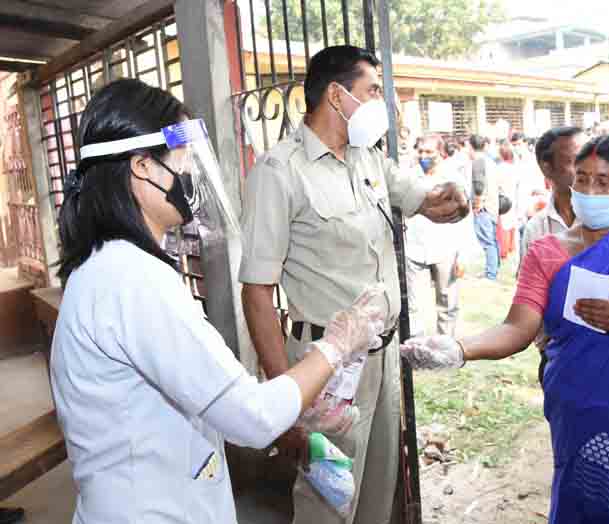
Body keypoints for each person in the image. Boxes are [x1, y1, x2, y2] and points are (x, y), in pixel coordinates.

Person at [48, 79, 386, 524]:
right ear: (144, 167)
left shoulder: (107, 267)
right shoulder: (132, 280)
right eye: (185, 164)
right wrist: (337, 345)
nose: (191, 180)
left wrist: (297, 395)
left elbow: (204, 387)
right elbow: (253, 418)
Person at [401, 134, 609, 523]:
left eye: (604, 182)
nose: (588, 190)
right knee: (581, 503)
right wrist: (458, 349)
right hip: (578, 410)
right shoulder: (547, 252)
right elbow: (518, 328)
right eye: (582, 178)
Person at [238, 45, 469, 524]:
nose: (384, 102)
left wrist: (453, 198)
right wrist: (287, 399)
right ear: (338, 95)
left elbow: (428, 200)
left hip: (380, 359)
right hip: (325, 367)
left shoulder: (370, 159)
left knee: (375, 493)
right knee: (328, 499)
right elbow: (257, 291)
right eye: (374, 90)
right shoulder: (279, 172)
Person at [405, 134, 468, 338]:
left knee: (447, 300)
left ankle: (445, 345)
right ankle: (417, 347)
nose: (424, 155)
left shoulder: (453, 179)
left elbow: (465, 219)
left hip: (445, 249)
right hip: (413, 249)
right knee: (414, 304)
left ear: (440, 153)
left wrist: (463, 255)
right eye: (421, 151)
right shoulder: (408, 176)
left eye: (429, 152)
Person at [520, 126, 584, 259]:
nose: (589, 169)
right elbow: (527, 278)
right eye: (578, 161)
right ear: (547, 168)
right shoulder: (536, 230)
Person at [470, 134, 501, 280]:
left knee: (487, 241)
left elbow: (478, 185)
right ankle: (494, 268)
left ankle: (491, 273)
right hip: (493, 205)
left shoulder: (478, 162)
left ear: (470, 147)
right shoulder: (491, 161)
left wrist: (477, 204)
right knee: (493, 240)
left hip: (484, 207)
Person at [496, 143, 519, 260]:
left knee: (503, 225)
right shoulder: (515, 168)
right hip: (513, 196)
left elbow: (496, 184)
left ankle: (503, 250)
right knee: (512, 223)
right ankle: (511, 247)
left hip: (503, 198)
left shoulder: (499, 168)